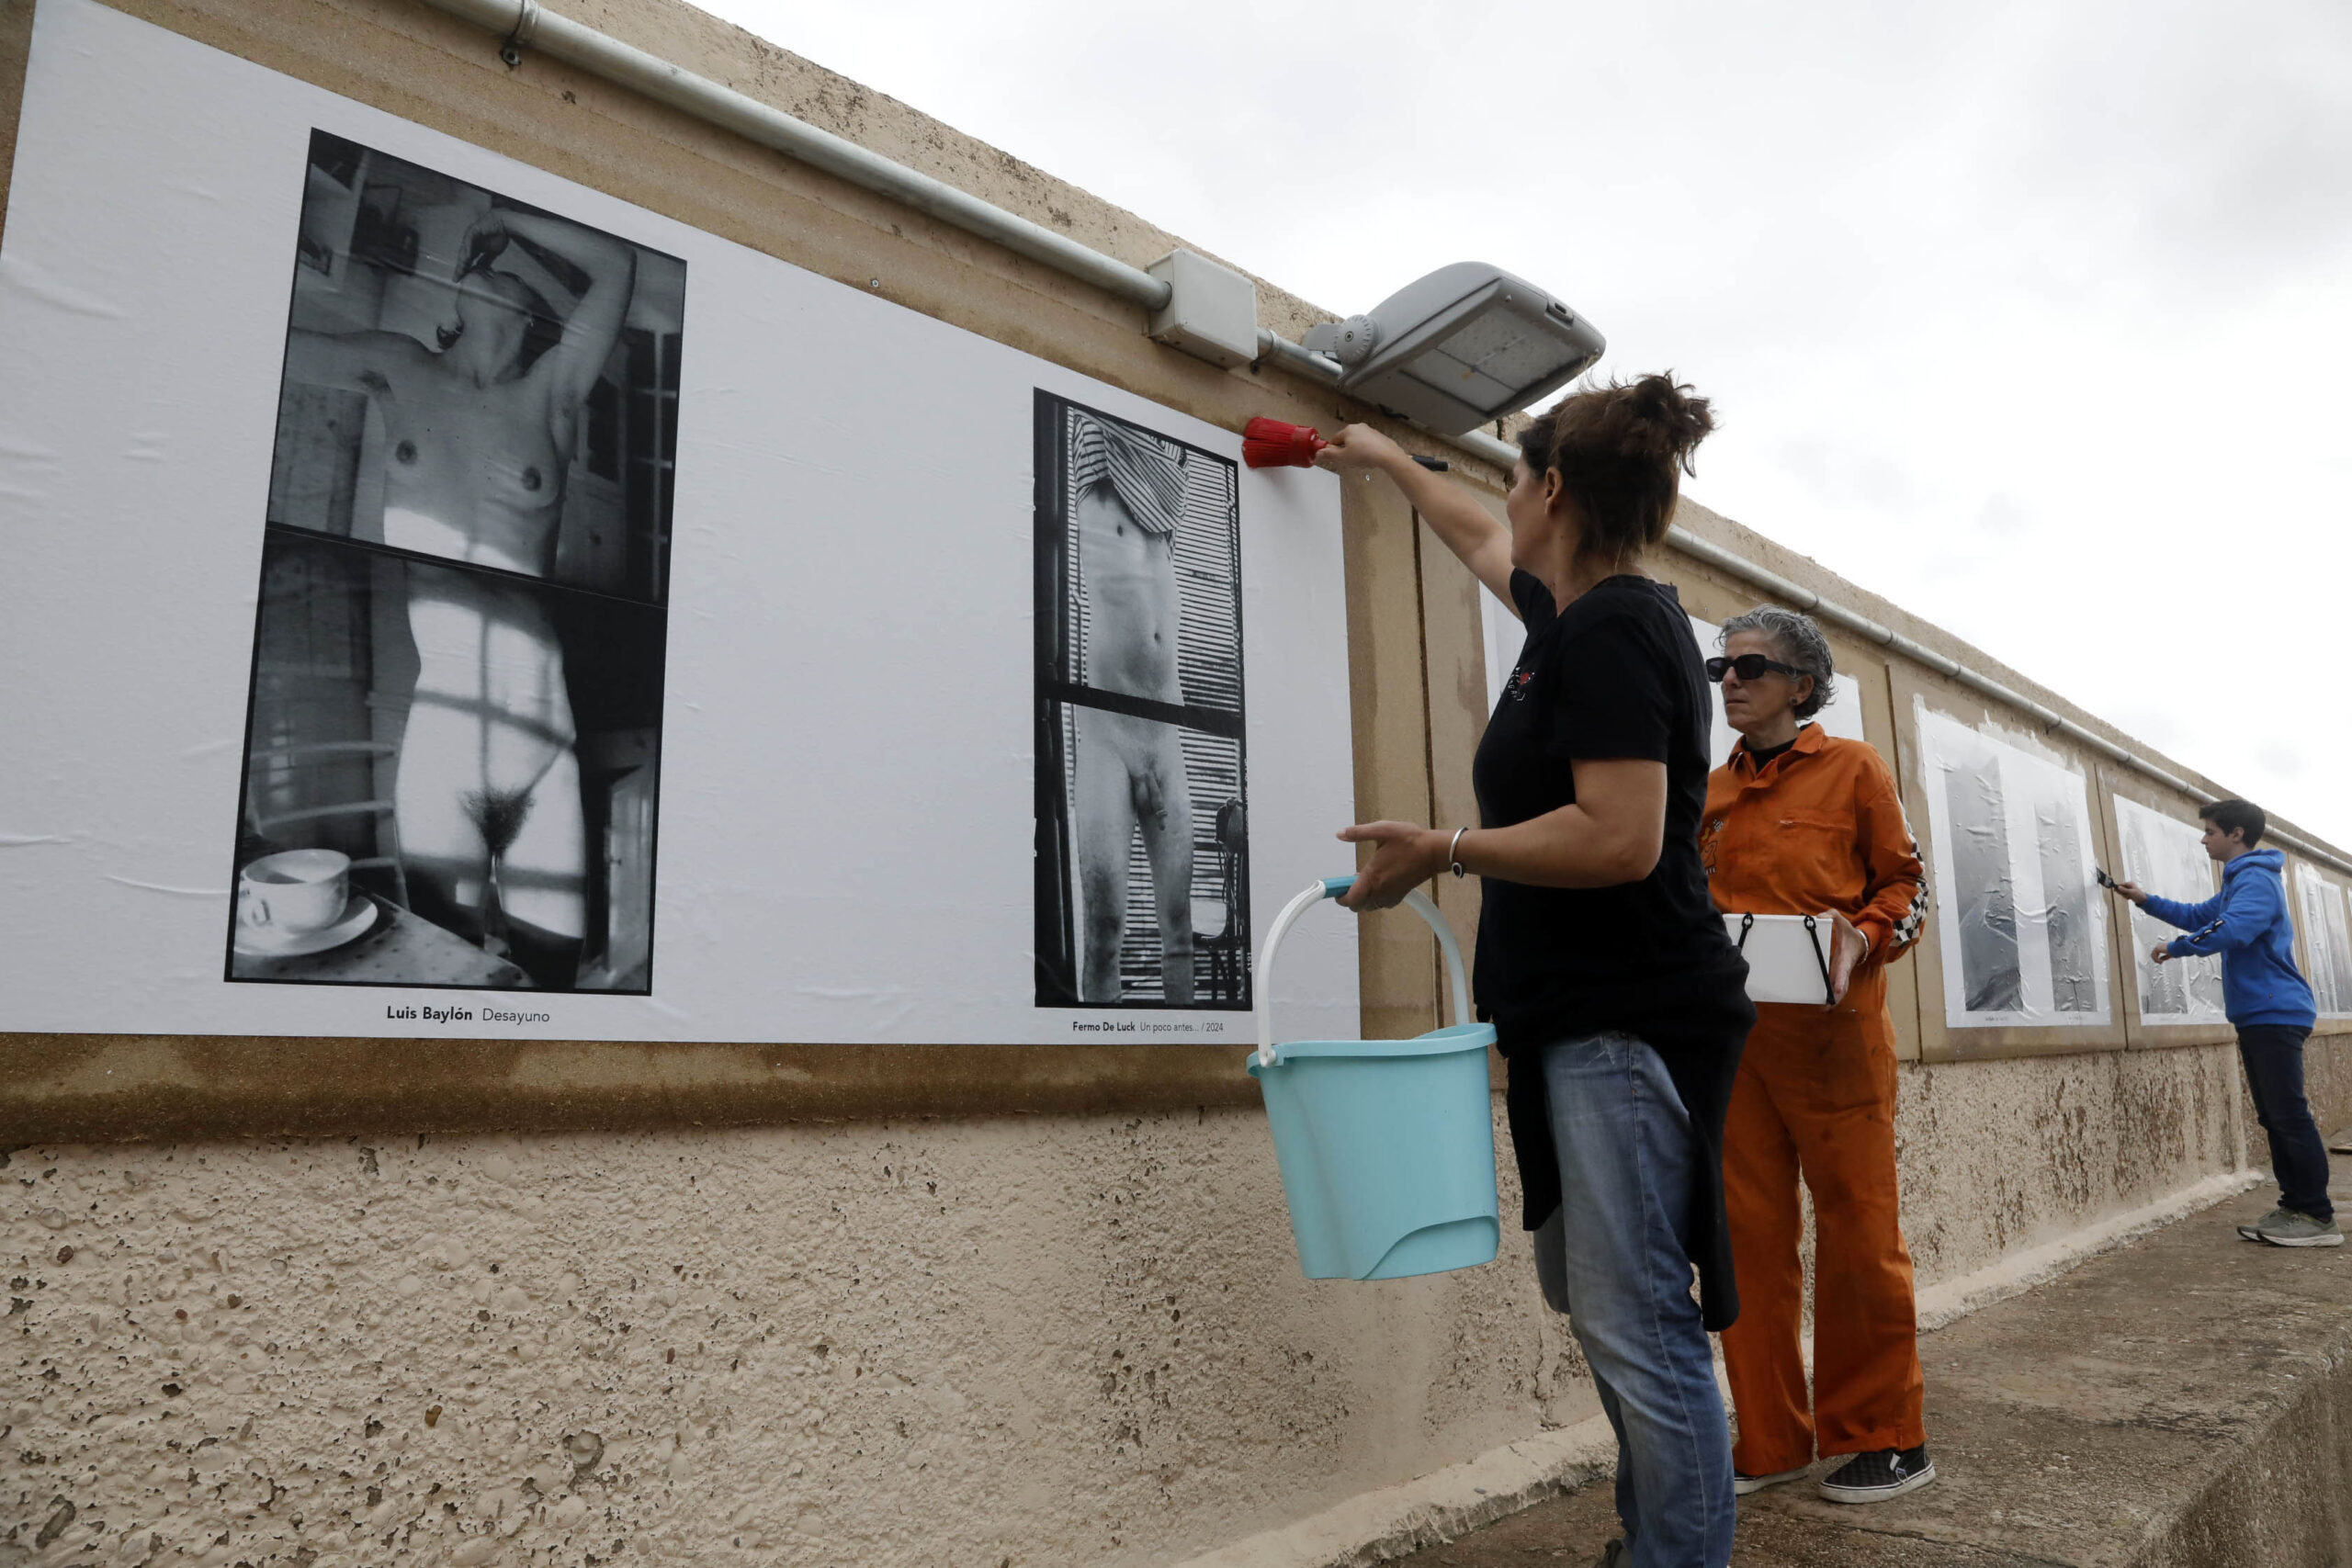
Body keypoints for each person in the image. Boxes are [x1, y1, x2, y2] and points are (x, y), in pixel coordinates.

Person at [1319, 376, 1755, 1568]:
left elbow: (1620, 833)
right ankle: (1653, 1542)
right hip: (1579, 1023)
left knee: (1640, 1318)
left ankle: (1677, 1554)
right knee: (1604, 1305)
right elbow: (1475, 534)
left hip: (1630, 1022)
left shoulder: (1616, 625)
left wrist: (1441, 850)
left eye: (1515, 475)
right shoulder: (1573, 619)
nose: (1502, 498)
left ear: (1554, 488)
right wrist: (1388, 463)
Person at [280, 204, 636, 987]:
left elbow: (616, 268)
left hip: (546, 744)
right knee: (441, 973)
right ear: (457, 303)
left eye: (510, 281)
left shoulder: (552, 397)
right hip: (446, 738)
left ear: (534, 318)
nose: (492, 278)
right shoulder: (398, 367)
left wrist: (507, 215)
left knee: (552, 980)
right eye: (480, 275)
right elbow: (270, 339)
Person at [1698, 608, 1936, 1505]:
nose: (1730, 680)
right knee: (1746, 1246)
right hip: (1736, 1053)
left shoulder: (1854, 771)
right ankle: (1768, 1439)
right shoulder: (1710, 794)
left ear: (1801, 684)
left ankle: (1887, 1437)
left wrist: (1865, 936)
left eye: (1750, 666)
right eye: (1721, 666)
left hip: (1837, 1047)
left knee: (1857, 1239)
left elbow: (1907, 886)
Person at [2114, 801, 2339, 1247]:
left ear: (2236, 834)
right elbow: (2203, 916)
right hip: (2260, 1015)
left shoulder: (2255, 879)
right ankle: (2295, 1207)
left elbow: (2232, 930)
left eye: (2210, 831)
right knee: (2274, 1116)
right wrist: (2144, 900)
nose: (2204, 839)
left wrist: (2176, 949)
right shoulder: (2241, 878)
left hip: (2275, 1012)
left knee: (2288, 1115)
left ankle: (2316, 1216)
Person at [1068, 416, 1194, 1004]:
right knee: (1105, 934)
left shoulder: (1169, 492)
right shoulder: (1095, 443)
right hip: (1106, 735)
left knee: (1180, 938)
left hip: (1166, 730)